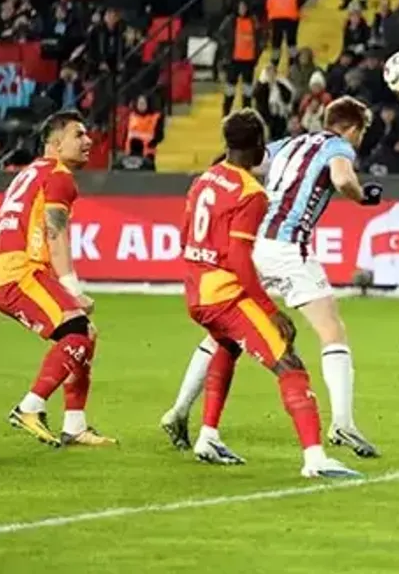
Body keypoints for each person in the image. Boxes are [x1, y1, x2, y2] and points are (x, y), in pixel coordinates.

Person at [162, 97, 384, 459]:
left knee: (225, 332)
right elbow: (343, 179)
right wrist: (362, 198)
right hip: (288, 247)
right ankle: (342, 423)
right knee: (331, 330)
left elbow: (237, 161)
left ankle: (179, 410)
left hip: (255, 242)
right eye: (361, 133)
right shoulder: (338, 146)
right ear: (353, 128)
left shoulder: (289, 143)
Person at [0, 111, 115, 447]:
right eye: (78, 135)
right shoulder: (59, 176)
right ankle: (29, 407)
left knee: (86, 334)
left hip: (6, 272)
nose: (88, 141)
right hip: (21, 271)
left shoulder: (27, 174)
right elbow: (55, 233)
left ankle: (74, 425)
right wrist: (73, 289)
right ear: (56, 142)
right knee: (78, 333)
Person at [265, 0, 310, 69]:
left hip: (291, 17)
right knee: (275, 44)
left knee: (291, 44)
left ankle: (292, 67)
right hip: (276, 16)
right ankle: (273, 66)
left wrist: (297, 4)